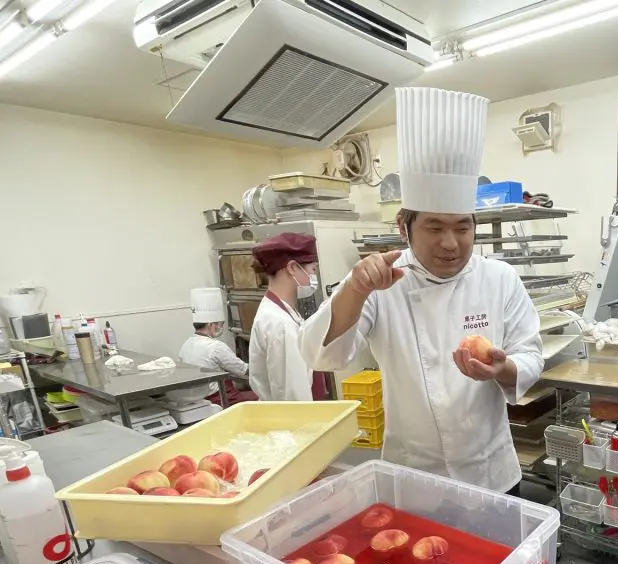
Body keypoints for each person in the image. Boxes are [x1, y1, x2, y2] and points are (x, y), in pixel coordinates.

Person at [299, 87, 543, 495]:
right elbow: (322, 355)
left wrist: (502, 368)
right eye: (434, 227)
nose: (451, 243)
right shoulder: (380, 281)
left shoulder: (500, 278)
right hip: (414, 478)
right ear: (403, 226)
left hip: (492, 473)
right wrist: (355, 290)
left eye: (463, 227)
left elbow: (530, 354)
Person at [248, 232, 331, 401]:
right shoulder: (281, 324)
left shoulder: (281, 311)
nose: (313, 278)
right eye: (312, 270)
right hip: (295, 422)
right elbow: (294, 399)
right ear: (292, 267)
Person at [178, 288, 257, 406]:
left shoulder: (186, 345)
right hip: (220, 397)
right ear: (210, 325)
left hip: (199, 398)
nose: (220, 328)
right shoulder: (215, 347)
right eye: (219, 324)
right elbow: (244, 370)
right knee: (262, 397)